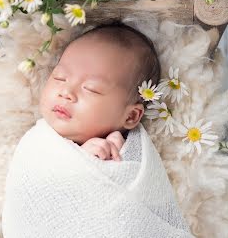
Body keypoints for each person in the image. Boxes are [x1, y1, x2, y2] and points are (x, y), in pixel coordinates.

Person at [39, 21, 161, 161]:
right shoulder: (37, 139)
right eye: (59, 78)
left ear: (130, 116)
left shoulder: (132, 154)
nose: (66, 92)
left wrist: (120, 160)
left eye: (91, 89)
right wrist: (80, 159)